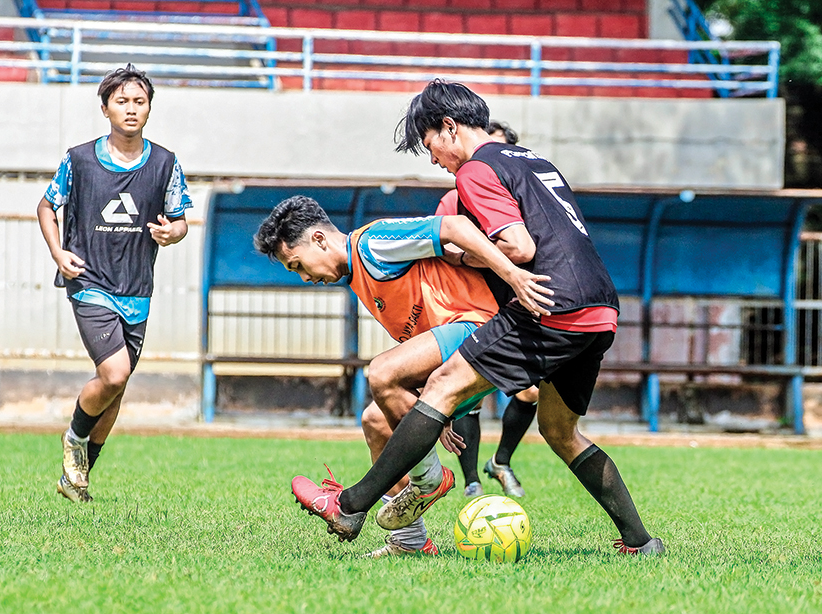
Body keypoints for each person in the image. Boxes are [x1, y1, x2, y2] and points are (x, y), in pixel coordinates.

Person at [292, 79, 664, 556]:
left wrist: (463, 259)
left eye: (430, 147)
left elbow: (520, 247)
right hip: (600, 308)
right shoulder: (534, 159)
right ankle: (640, 540)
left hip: (547, 300)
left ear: (449, 127)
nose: (434, 160)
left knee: (442, 385)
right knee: (560, 431)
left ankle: (349, 503)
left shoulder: (476, 169)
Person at [254, 195, 549, 556]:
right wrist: (427, 413)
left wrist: (514, 275)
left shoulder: (373, 243)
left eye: (297, 264)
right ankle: (409, 541)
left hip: (480, 330)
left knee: (381, 372)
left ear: (319, 239)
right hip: (457, 354)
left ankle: (429, 481)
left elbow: (454, 227)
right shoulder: (360, 276)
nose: (304, 278)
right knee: (376, 421)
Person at [37, 64, 192, 503]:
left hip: (137, 289)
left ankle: (76, 479)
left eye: (139, 101)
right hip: (89, 282)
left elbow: (180, 221)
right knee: (115, 372)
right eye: (121, 101)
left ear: (149, 109)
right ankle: (73, 440)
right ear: (104, 108)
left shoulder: (165, 163)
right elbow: (47, 208)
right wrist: (57, 252)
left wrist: (172, 233)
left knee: (116, 389)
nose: (131, 109)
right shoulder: (79, 159)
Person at [438, 119, 538, 499]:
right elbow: (443, 251)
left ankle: (501, 461)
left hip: (515, 307)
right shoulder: (456, 198)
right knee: (469, 397)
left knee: (529, 393)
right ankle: (471, 483)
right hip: (472, 308)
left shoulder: (518, 198)